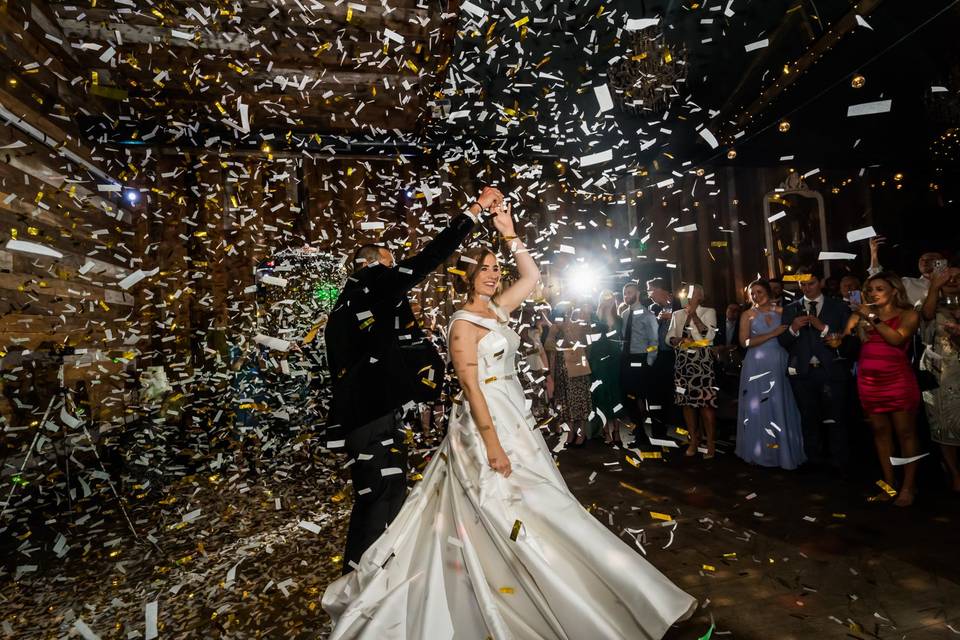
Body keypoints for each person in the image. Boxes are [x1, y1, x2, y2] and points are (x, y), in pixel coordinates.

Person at [322, 202, 697, 640]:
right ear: (467, 276)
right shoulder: (462, 323)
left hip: (515, 415)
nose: (494, 274)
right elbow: (472, 388)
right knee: (503, 507)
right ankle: (516, 594)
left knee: (541, 503)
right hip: (485, 424)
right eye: (484, 268)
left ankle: (571, 588)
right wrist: (493, 443)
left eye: (496, 268)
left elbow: (533, 279)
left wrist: (509, 233)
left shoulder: (498, 311)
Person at [325, 186, 502, 572]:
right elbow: (429, 258)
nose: (396, 272)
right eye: (391, 264)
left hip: (369, 416)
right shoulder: (372, 283)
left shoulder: (352, 301)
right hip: (370, 419)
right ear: (373, 264)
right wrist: (472, 211)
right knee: (380, 499)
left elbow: (396, 347)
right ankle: (362, 584)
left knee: (386, 495)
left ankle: (375, 576)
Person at [842, 272, 922, 506]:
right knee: (879, 432)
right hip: (868, 380)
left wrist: (873, 319)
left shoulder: (909, 314)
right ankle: (889, 485)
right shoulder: (862, 314)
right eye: (870, 290)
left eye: (879, 289)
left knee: (905, 433)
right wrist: (853, 330)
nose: (873, 293)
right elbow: (845, 339)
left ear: (894, 291)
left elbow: (897, 340)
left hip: (897, 380)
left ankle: (909, 486)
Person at [778, 267, 851, 469]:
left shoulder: (837, 306)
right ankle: (814, 461)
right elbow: (783, 342)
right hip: (802, 374)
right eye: (802, 284)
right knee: (809, 419)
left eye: (810, 283)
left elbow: (847, 342)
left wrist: (823, 328)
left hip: (831, 371)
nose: (806, 288)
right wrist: (793, 328)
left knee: (835, 418)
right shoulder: (791, 308)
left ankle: (839, 462)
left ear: (820, 282)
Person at [735, 280, 806, 469]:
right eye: (753, 293)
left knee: (779, 402)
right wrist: (772, 333)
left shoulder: (782, 311)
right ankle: (761, 452)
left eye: (759, 291)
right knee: (759, 405)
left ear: (768, 291)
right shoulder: (747, 315)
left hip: (779, 361)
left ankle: (783, 453)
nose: (756, 296)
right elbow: (744, 343)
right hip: (756, 364)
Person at [919, 266, 960, 491]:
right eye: (947, 277)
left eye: (957, 277)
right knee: (944, 426)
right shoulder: (930, 304)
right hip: (941, 373)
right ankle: (954, 474)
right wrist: (934, 288)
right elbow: (925, 316)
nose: (952, 280)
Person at [666, 283, 718, 458]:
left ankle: (710, 441)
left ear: (701, 297)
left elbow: (708, 337)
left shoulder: (708, 312)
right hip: (683, 360)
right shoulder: (677, 314)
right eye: (686, 292)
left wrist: (694, 315)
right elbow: (669, 337)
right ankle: (694, 439)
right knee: (686, 402)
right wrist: (675, 340)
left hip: (701, 359)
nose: (688, 295)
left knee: (705, 402)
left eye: (693, 292)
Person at [545, 302, 593, 446]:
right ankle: (571, 433)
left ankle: (581, 434)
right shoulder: (555, 327)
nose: (565, 314)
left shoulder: (580, 325)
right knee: (566, 404)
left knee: (580, 403)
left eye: (567, 311)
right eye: (562, 312)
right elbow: (548, 345)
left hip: (578, 369)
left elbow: (584, 344)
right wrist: (553, 332)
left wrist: (567, 330)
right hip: (562, 370)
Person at [619, 282, 659, 439]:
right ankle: (639, 433)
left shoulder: (648, 315)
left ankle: (652, 433)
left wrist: (648, 363)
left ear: (637, 294)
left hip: (641, 359)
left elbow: (654, 342)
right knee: (629, 398)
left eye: (629, 292)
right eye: (625, 293)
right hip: (626, 359)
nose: (627, 295)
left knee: (642, 397)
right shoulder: (624, 315)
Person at [590, 290, 627, 444]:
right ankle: (606, 432)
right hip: (598, 362)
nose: (608, 301)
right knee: (601, 397)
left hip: (615, 362)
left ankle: (617, 432)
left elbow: (621, 339)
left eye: (610, 299)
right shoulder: (594, 318)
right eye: (604, 299)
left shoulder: (618, 319)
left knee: (616, 396)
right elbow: (591, 339)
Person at [646, 278, 679, 440]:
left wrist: (673, 317)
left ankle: (684, 430)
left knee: (674, 395)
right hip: (657, 357)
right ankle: (658, 431)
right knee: (656, 394)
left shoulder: (679, 304)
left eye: (650, 290)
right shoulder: (652, 308)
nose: (649, 294)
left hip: (676, 356)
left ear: (660, 290)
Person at [868, 236, 945, 306]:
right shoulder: (907, 283)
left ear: (943, 262)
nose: (924, 262)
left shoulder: (951, 282)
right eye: (922, 259)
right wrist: (874, 254)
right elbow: (876, 281)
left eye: (931, 259)